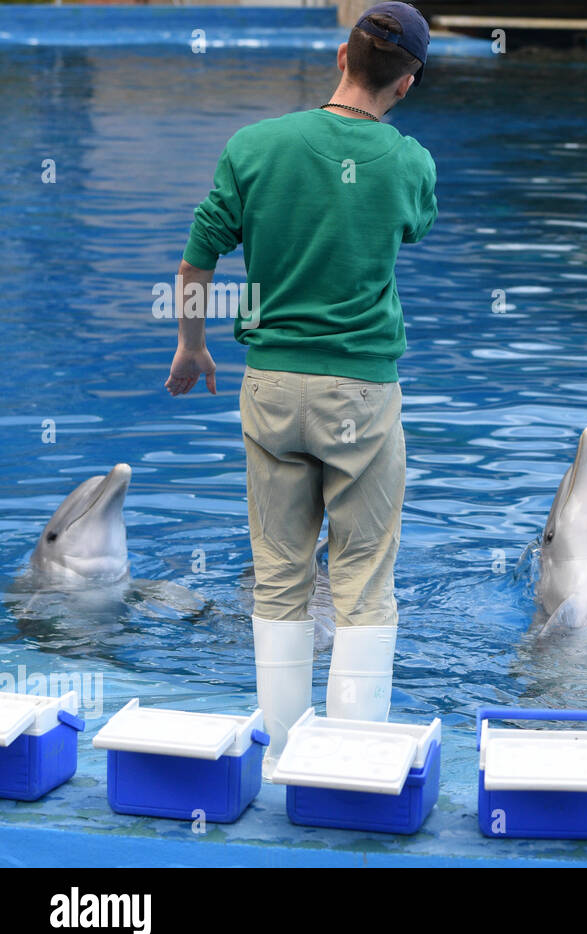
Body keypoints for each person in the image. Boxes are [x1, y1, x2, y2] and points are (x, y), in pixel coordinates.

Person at [164, 2, 438, 776]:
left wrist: (193, 348)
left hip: (271, 388)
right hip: (361, 394)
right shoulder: (409, 161)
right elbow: (412, 226)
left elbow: (196, 261)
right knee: (361, 581)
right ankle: (349, 763)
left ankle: (282, 752)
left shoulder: (255, 146)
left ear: (339, 56)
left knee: (280, 575)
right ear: (407, 83)